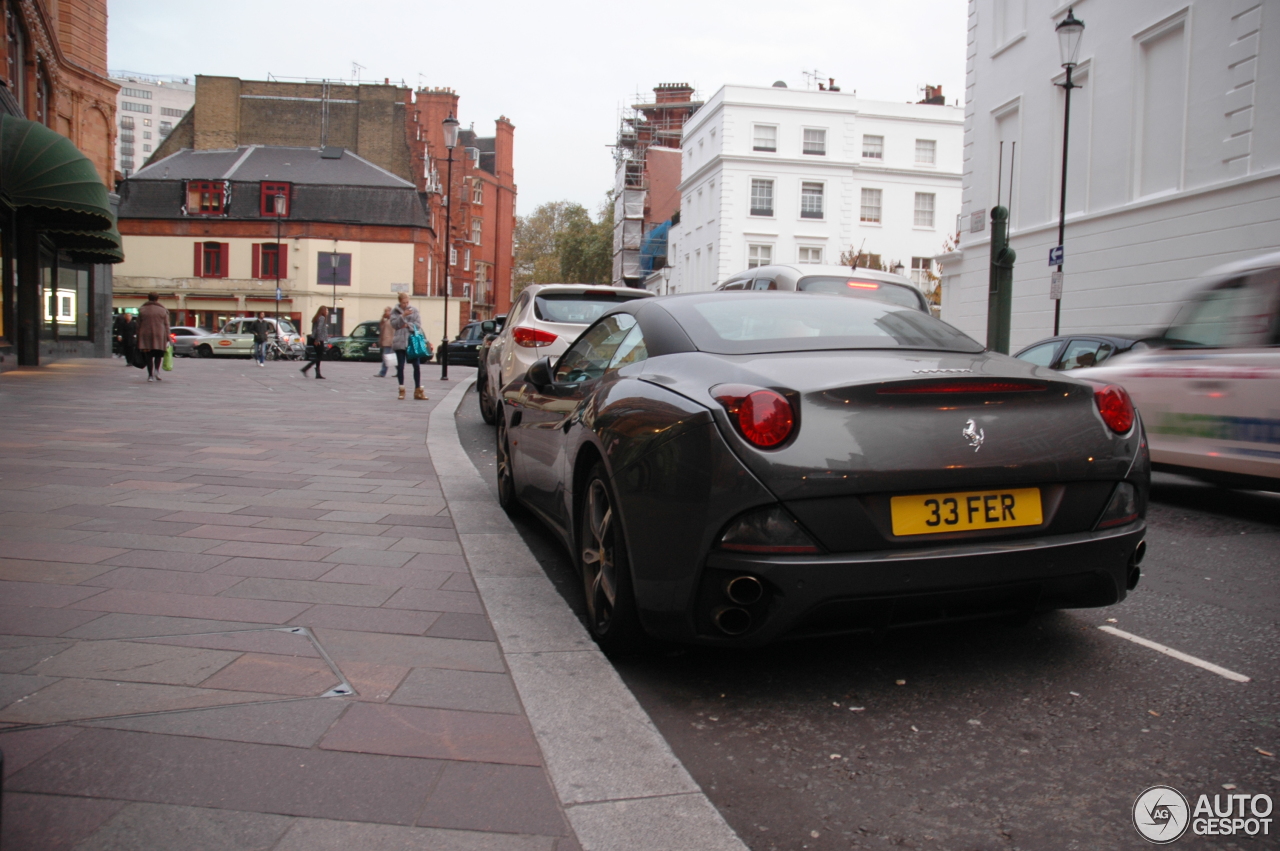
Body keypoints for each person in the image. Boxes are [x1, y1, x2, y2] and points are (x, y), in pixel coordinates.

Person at [389, 292, 428, 400]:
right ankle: (401, 390)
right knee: (401, 366)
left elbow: (418, 325)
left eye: (407, 302)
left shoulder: (414, 310)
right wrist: (403, 316)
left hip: (412, 341)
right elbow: (394, 324)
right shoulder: (395, 311)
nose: (406, 304)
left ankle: (418, 390)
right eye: (403, 302)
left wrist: (407, 325)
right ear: (400, 302)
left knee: (416, 365)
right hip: (400, 341)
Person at [136, 293, 170, 382]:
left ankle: (150, 375)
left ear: (148, 298)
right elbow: (166, 325)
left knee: (149, 356)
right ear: (157, 299)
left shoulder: (142, 310)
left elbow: (138, 324)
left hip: (146, 336)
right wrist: (168, 337)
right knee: (158, 355)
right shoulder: (163, 310)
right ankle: (157, 371)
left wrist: (137, 336)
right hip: (159, 335)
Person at [301, 306, 328, 379]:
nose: (327, 312)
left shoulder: (317, 317)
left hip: (315, 338)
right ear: (323, 311)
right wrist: (317, 340)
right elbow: (319, 329)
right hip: (318, 339)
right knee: (320, 356)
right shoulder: (322, 318)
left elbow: (314, 329)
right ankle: (306, 368)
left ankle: (318, 373)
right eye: (326, 310)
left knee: (318, 356)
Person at [374, 306, 395, 378]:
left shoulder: (393, 320)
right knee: (391, 358)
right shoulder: (386, 321)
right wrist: (382, 318)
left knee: (387, 357)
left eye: (387, 311)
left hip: (390, 341)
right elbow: (381, 326)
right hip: (386, 341)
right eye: (385, 311)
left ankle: (382, 372)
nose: (385, 313)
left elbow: (393, 331)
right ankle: (399, 371)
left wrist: (393, 341)